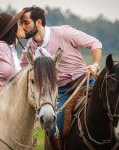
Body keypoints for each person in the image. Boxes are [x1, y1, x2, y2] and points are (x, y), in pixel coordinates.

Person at [20, 6, 102, 148]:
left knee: (111, 107)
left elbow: (95, 43)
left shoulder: (64, 32)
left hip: (84, 81)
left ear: (38, 22)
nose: (23, 27)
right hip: (60, 92)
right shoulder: (29, 48)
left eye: (26, 22)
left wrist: (95, 64)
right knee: (51, 126)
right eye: (21, 23)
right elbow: (21, 70)